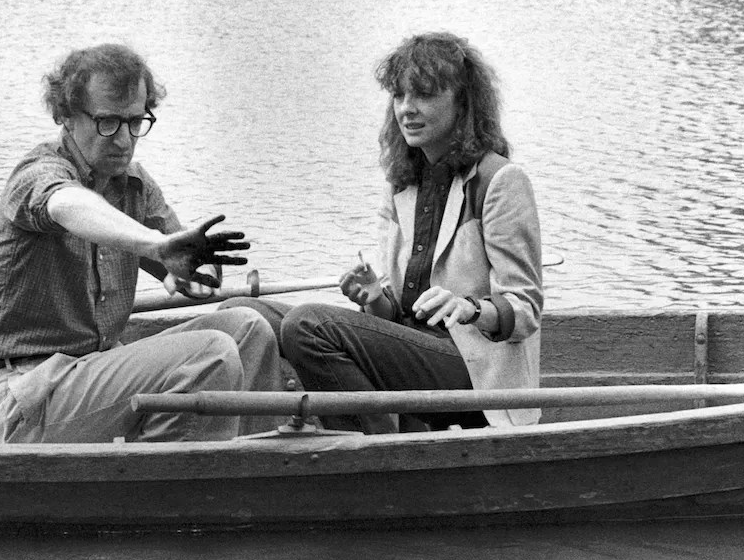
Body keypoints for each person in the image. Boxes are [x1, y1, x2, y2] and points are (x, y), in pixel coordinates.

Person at [222, 32, 543, 433]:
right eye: (399, 95)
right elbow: (395, 311)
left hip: (473, 369)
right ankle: (262, 442)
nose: (407, 109)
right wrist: (376, 298)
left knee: (308, 325)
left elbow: (526, 309)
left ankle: (376, 446)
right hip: (412, 350)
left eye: (424, 94)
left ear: (463, 102)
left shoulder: (500, 181)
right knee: (241, 314)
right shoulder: (403, 183)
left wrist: (471, 308)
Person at [0, 43, 284, 444]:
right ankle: (165, 477)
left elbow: (188, 259)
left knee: (249, 328)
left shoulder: (135, 187)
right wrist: (154, 246)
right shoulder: (39, 172)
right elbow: (67, 205)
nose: (123, 140)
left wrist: (194, 274)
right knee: (212, 352)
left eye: (135, 121)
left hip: (97, 373)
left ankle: (256, 464)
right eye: (108, 122)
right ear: (65, 115)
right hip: (29, 395)